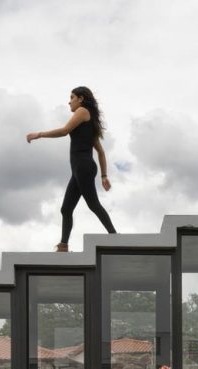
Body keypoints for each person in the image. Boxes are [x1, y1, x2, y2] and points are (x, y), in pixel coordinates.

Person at [27, 86, 116, 251]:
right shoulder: (88, 121)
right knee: (66, 208)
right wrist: (103, 176)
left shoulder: (82, 111)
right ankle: (63, 245)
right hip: (81, 168)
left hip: (83, 166)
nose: (69, 102)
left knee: (93, 204)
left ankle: (114, 237)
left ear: (81, 99)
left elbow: (65, 130)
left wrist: (39, 134)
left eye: (72, 97)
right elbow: (101, 152)